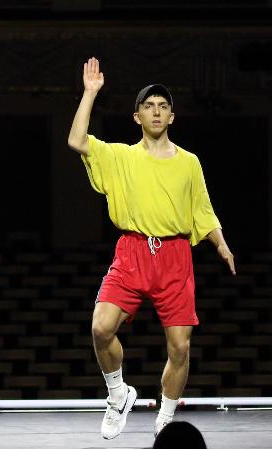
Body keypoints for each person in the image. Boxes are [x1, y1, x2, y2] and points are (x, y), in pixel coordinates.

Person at [67, 57, 236, 439]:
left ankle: (166, 419)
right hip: (132, 252)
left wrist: (221, 244)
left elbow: (203, 211)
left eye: (163, 106)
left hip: (175, 258)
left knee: (180, 347)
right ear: (137, 117)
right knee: (100, 327)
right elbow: (76, 140)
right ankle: (117, 395)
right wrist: (91, 92)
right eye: (149, 106)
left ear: (172, 117)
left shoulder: (190, 163)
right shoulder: (121, 157)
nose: (156, 111)